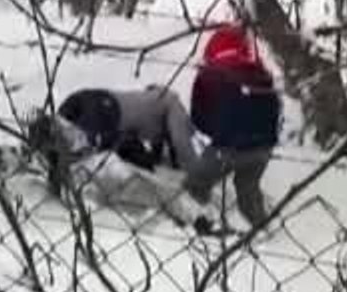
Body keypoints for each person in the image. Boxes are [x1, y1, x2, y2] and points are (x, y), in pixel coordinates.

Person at [183, 23, 281, 232]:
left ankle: (206, 223)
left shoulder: (208, 75)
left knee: (196, 184)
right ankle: (261, 228)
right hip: (263, 148)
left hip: (227, 147)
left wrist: (219, 133)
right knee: (247, 188)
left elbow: (198, 118)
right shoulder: (262, 74)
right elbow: (274, 110)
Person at [27, 85, 199, 199]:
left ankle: (44, 149)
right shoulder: (173, 104)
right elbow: (182, 144)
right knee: (86, 143)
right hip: (106, 110)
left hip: (94, 101)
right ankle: (50, 154)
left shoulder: (153, 106)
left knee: (68, 138)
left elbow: (134, 142)